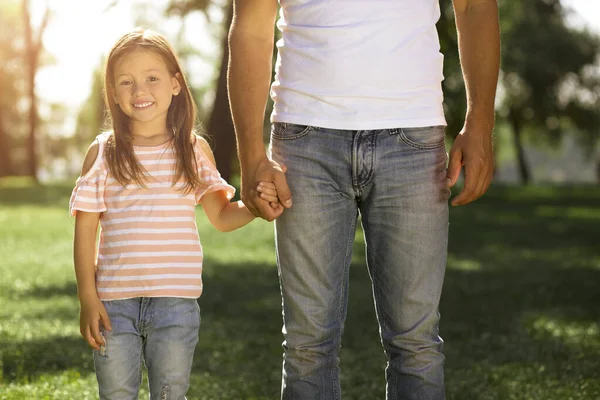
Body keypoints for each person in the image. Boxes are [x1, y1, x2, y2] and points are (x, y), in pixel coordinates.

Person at [228, 1, 499, 399]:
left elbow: (475, 7)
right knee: (307, 347)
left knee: (416, 345)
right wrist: (250, 153)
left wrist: (479, 122)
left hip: (413, 137)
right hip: (305, 140)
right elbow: (251, 23)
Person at [69, 28, 279, 399]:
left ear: (176, 84)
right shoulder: (104, 152)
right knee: (115, 392)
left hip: (176, 305)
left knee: (170, 393)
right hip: (114, 305)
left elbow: (221, 216)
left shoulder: (193, 150)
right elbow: (85, 229)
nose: (140, 91)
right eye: (126, 82)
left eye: (152, 78)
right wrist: (88, 297)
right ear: (114, 95)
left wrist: (255, 208)